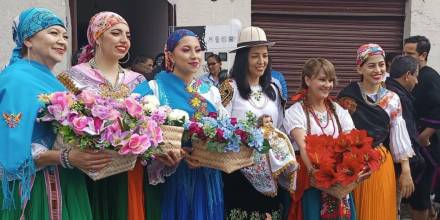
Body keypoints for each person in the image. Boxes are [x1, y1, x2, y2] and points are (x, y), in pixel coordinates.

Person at [0, 7, 110, 219]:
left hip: (66, 179)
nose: (62, 41)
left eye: (65, 36)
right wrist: (65, 157)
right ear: (28, 40)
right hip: (36, 188)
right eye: (53, 33)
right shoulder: (17, 79)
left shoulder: (57, 81)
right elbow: (12, 151)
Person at [67, 11, 151, 220]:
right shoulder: (72, 76)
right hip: (90, 168)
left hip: (129, 168)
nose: (124, 40)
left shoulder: (138, 80)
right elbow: (65, 122)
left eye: (128, 35)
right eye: (115, 33)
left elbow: (150, 120)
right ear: (97, 36)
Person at [147, 29, 226, 220]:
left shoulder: (212, 92)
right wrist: (163, 154)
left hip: (207, 175)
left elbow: (224, 131)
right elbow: (142, 135)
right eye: (186, 50)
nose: (194, 56)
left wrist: (211, 153)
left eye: (198, 50)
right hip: (172, 175)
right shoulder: (154, 88)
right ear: (170, 55)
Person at [338, 44, 415, 220]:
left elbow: (398, 136)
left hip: (381, 163)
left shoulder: (392, 99)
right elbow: (341, 134)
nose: (378, 70)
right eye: (371, 65)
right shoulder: (347, 96)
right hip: (354, 164)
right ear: (360, 67)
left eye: (381, 64)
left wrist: (405, 170)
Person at [220, 26, 289, 218]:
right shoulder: (229, 87)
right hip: (240, 167)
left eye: (265, 55)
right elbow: (222, 125)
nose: (262, 61)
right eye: (255, 56)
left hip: (270, 167)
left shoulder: (273, 88)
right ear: (243, 58)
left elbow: (280, 126)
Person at [283, 58, 358, 220]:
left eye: (331, 80)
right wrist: (314, 173)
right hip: (311, 179)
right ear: (308, 80)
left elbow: (351, 141)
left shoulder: (338, 110)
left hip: (338, 180)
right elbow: (304, 146)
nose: (328, 85)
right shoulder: (295, 112)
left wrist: (351, 169)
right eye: (322, 79)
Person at [385, 55, 432, 220]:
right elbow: (406, 136)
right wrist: (411, 169)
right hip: (394, 168)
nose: (417, 81)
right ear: (407, 75)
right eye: (416, 76)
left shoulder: (387, 91)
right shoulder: (397, 99)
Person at [404, 35, 440, 220]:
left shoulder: (430, 77)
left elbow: (438, 107)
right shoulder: (411, 75)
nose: (405, 56)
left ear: (423, 55)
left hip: (427, 148)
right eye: (404, 52)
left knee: (419, 197)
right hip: (412, 144)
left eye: (410, 53)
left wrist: (425, 135)